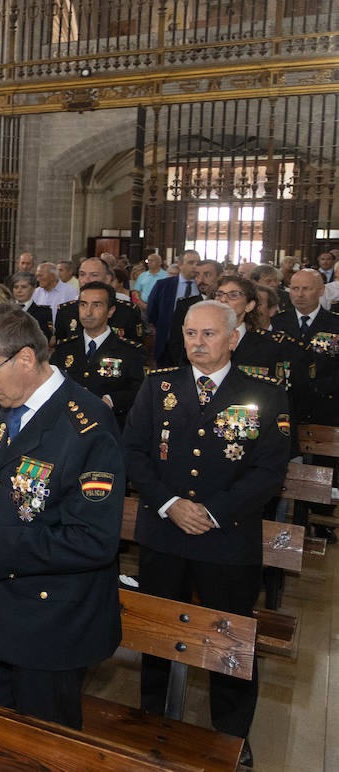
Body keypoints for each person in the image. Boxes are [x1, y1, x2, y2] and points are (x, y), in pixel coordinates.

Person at [0, 304, 125, 730]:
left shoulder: (87, 427)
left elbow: (92, 540)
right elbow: (2, 487)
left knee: (43, 747)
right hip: (1, 614)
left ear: (26, 358)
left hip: (52, 622)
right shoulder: (14, 405)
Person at [125, 301, 288, 767]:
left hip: (228, 538)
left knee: (229, 641)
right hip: (164, 531)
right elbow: (133, 451)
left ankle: (233, 734)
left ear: (234, 338)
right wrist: (171, 504)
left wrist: (212, 512)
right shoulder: (160, 386)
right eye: (190, 333)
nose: (198, 342)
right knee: (156, 632)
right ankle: (150, 720)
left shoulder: (264, 392)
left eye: (210, 334)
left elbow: (269, 470)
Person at [50, 281, 146, 426]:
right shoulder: (64, 349)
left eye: (97, 305)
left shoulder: (130, 351)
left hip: (110, 428)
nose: (88, 312)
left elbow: (140, 391)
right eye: (83, 304)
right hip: (67, 427)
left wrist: (111, 400)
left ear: (111, 311)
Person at [53, 257, 145, 348]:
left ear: (108, 279)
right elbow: (61, 349)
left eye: (94, 275)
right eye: (82, 274)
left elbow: (135, 351)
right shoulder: (65, 311)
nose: (86, 280)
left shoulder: (127, 311)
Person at [146, 250, 201, 361]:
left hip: (195, 344)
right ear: (180, 264)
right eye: (191, 262)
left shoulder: (203, 288)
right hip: (166, 342)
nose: (195, 266)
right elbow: (152, 311)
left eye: (198, 263)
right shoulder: (163, 285)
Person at [165, 259, 222, 365]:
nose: (201, 280)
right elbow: (176, 341)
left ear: (220, 277)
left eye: (207, 275)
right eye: (197, 275)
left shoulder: (226, 306)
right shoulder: (185, 305)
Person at [10, 272, 53, 338]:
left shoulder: (44, 312)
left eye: (23, 287)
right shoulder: (5, 310)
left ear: (33, 289)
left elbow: (46, 337)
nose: (19, 290)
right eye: (16, 287)